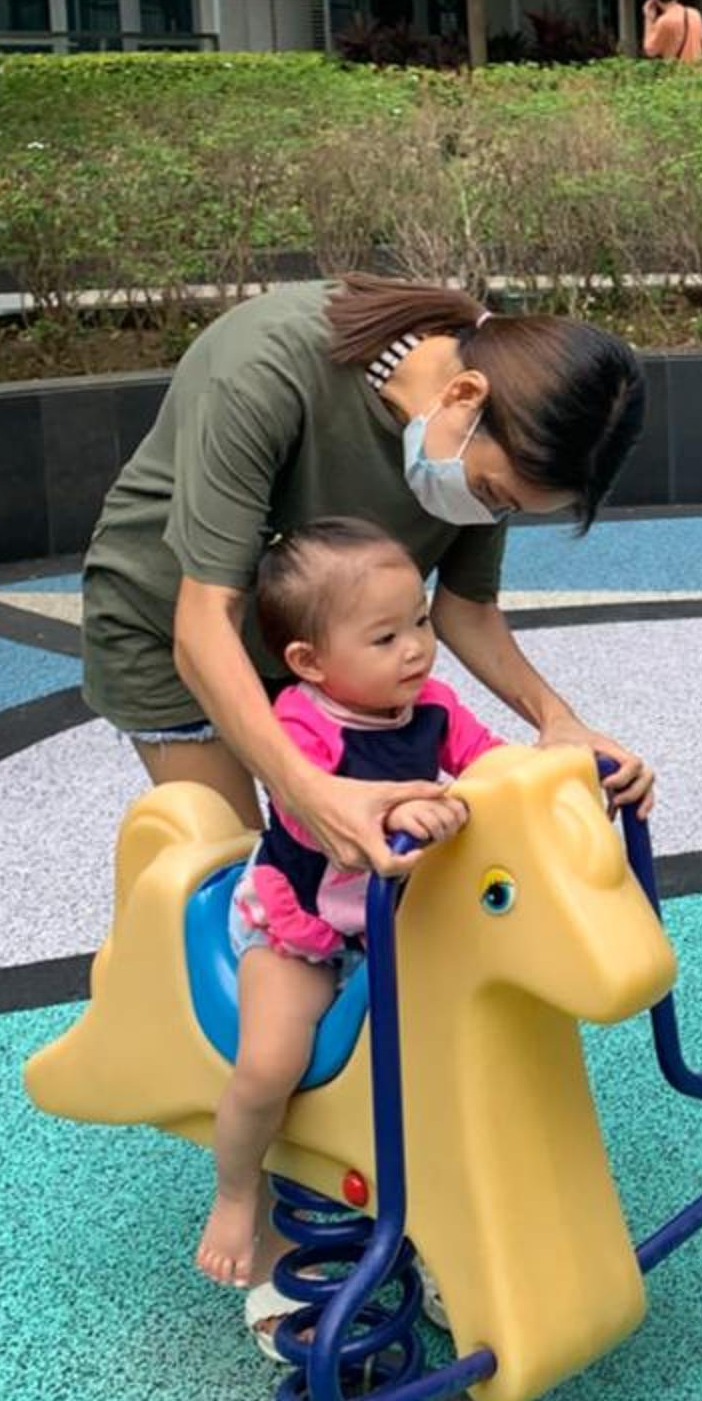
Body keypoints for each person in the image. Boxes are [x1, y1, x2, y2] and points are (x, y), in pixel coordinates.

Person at [82, 273, 656, 865]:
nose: (488, 513)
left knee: (363, 870)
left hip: (330, 650)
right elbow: (205, 619)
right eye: (490, 492)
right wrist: (309, 795)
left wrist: (558, 723)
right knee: (248, 873)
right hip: (170, 626)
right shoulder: (268, 366)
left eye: (506, 507)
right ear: (465, 395)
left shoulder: (487, 436)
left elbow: (465, 609)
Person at [196, 520, 500, 1289]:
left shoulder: (433, 708)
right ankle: (235, 1193)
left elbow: (493, 766)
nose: (416, 649)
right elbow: (311, 820)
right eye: (385, 637)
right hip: (305, 929)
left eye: (421, 621)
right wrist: (396, 809)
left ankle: (446, 1210)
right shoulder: (301, 723)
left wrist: (560, 776)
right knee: (271, 1063)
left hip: (397, 923)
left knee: (453, 1056)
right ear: (310, 662)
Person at [641, 0, 702, 64]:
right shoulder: (695, 14)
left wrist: (648, 19)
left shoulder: (664, 21)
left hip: (678, 71)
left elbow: (649, 50)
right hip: (699, 70)